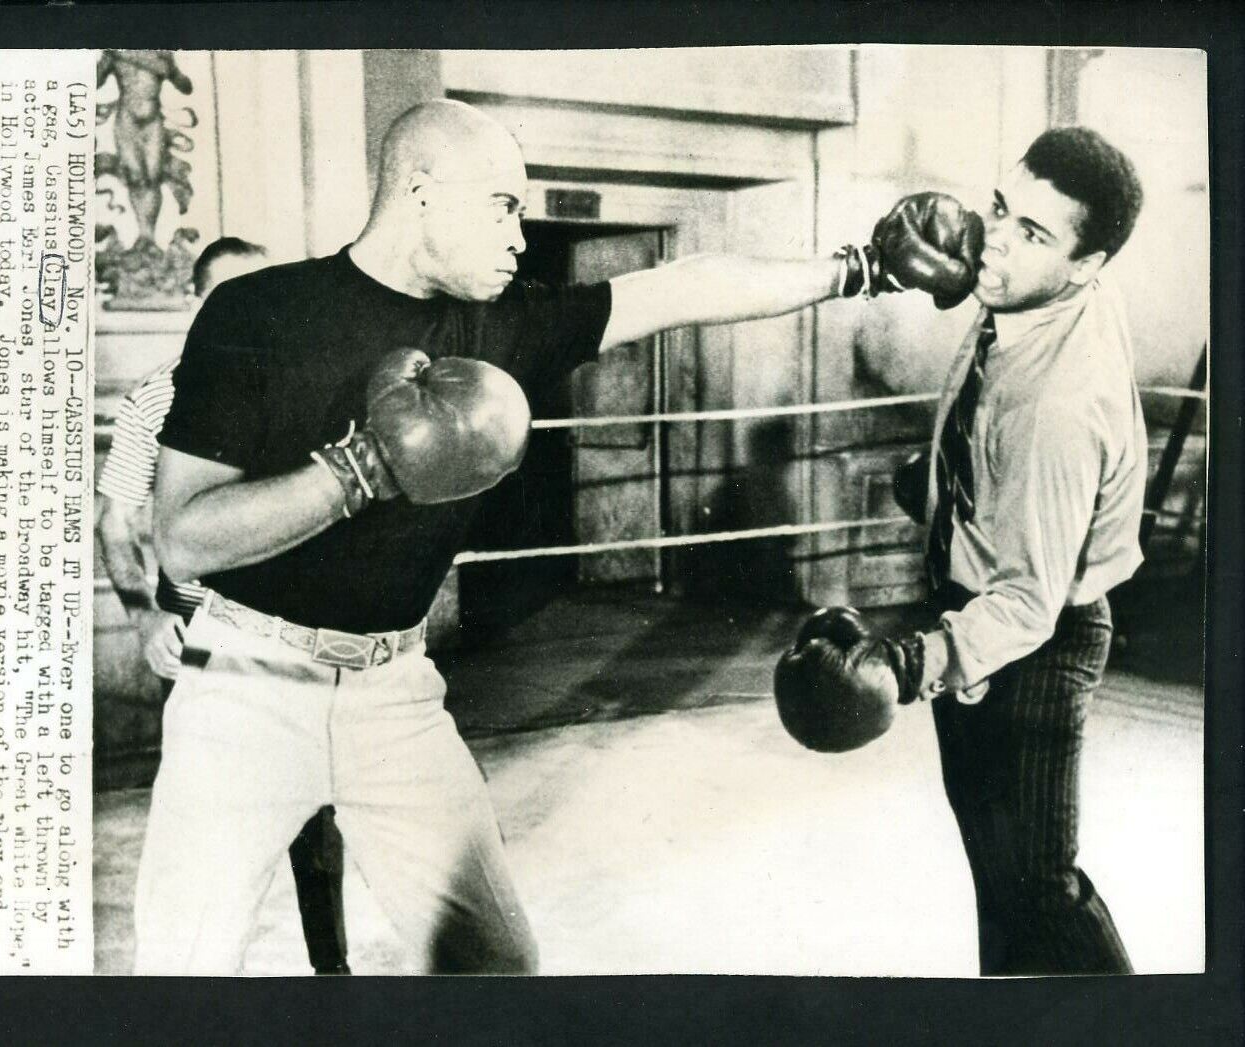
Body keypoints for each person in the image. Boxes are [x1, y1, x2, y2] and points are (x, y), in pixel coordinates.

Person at [135, 97, 982, 974]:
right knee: (180, 974)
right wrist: (357, 472)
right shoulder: (257, 312)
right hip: (245, 689)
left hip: (394, 694)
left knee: (498, 971)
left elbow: (683, 287)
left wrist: (862, 268)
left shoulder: (504, 326)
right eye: (503, 205)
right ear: (421, 189)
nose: (520, 232)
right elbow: (186, 538)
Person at [776, 126, 1146, 975]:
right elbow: (998, 372)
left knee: (1039, 888)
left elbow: (1027, 600)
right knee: (999, 875)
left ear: (1088, 265)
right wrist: (945, 474)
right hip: (985, 594)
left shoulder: (1057, 408)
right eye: (1002, 208)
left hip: (1031, 642)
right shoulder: (1044, 290)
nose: (997, 244)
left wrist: (907, 665)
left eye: (1034, 235)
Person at [97, 236, 352, 975]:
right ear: (199, 305)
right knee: (210, 832)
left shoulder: (309, 383)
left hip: (298, 632)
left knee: (317, 815)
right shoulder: (157, 395)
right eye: (229, 297)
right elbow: (114, 519)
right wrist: (145, 613)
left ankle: (331, 971)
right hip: (201, 637)